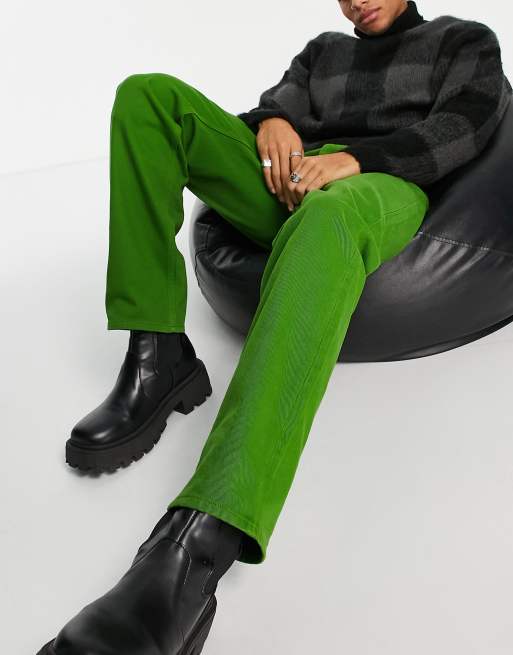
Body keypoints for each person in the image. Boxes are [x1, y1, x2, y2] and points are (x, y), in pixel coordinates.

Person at [37, 1, 511, 653]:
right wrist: (274, 123)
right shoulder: (323, 51)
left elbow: (465, 127)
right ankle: (158, 354)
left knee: (327, 217)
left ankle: (201, 539)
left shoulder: (460, 39)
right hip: (291, 182)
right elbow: (274, 105)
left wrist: (356, 159)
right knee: (148, 97)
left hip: (381, 188)